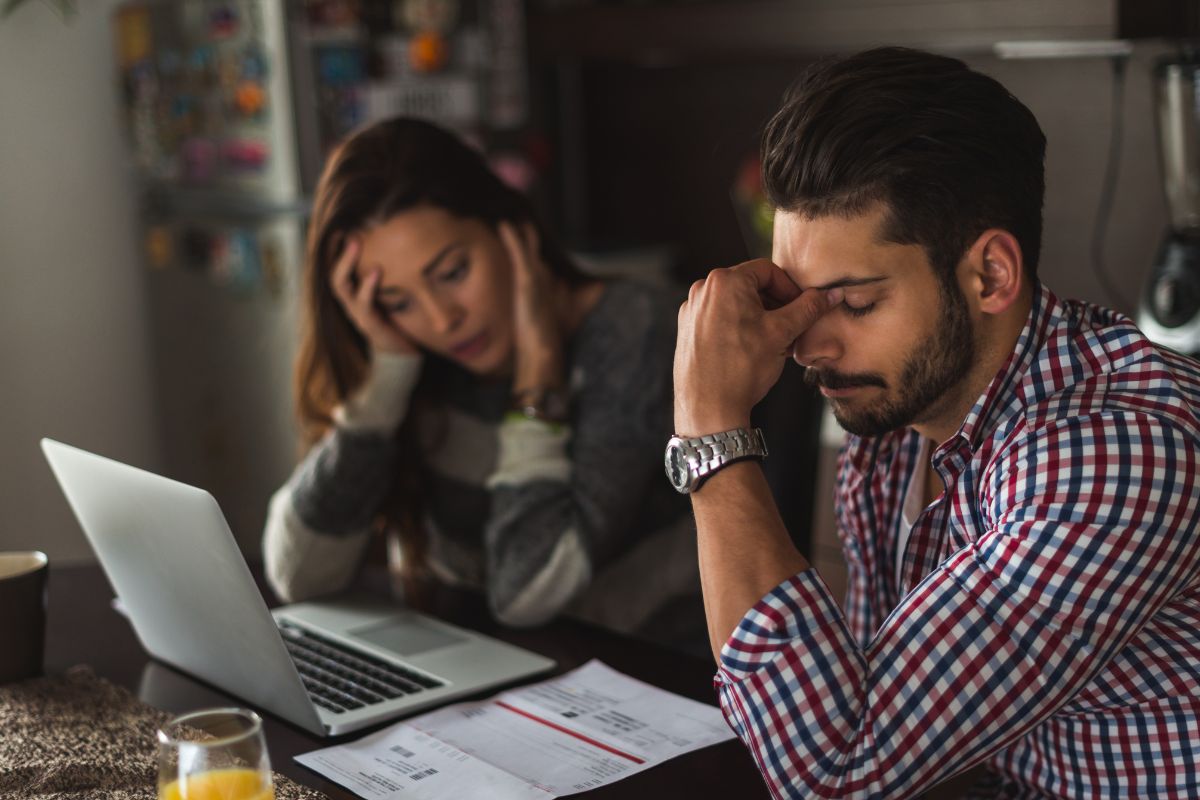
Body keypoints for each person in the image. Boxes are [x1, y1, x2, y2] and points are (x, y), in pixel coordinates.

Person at [671, 47, 1200, 798]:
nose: (809, 348)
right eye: (798, 299)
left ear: (990, 275)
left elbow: (840, 769)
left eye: (853, 303)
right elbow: (862, 710)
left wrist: (711, 431)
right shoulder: (893, 423)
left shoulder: (1115, 452)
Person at [264, 117, 701, 648]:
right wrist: (385, 382)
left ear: (509, 227)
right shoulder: (418, 359)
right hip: (485, 674)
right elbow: (297, 575)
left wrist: (538, 374)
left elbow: (526, 593)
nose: (441, 320)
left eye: (451, 273)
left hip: (644, 681)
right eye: (398, 302)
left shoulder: (635, 330)